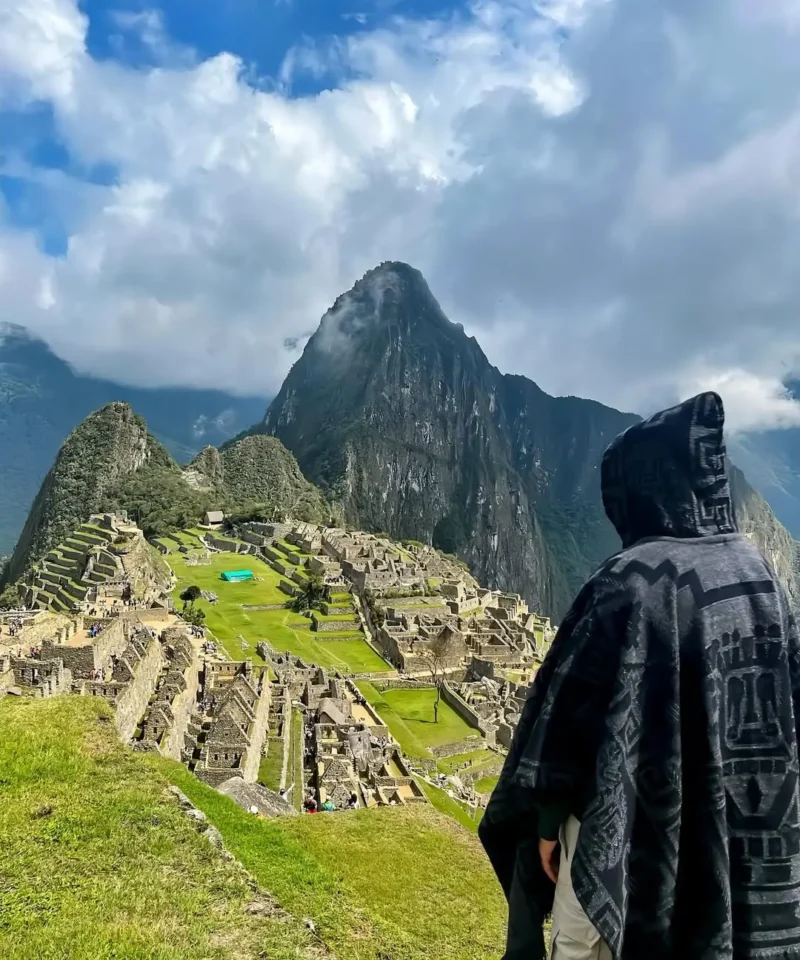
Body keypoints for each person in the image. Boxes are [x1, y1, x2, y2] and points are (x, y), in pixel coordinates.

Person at [479, 392, 800, 960]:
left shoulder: (628, 583)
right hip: (736, 827)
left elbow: (566, 722)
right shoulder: (760, 574)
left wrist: (549, 825)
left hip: (626, 834)